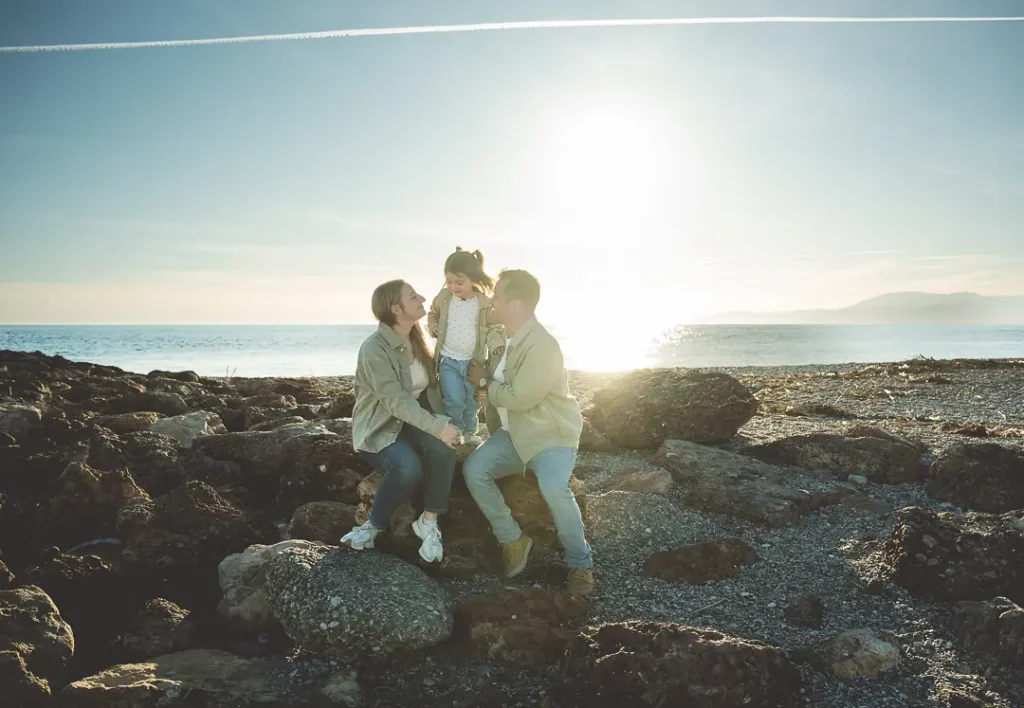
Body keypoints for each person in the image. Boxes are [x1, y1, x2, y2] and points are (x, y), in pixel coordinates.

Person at [463, 269, 594, 596]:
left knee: (554, 489)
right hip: (512, 436)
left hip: (550, 437)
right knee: (474, 470)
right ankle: (512, 539)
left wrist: (484, 382)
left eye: (498, 296)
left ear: (517, 304)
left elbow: (520, 398)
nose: (492, 301)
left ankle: (580, 564)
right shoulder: (503, 338)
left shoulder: (542, 345)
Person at [340, 279, 462, 563]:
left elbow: (431, 387)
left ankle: (428, 521)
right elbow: (394, 401)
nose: (422, 298)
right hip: (379, 427)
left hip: (413, 421)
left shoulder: (418, 338)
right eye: (413, 296)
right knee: (408, 468)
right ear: (396, 309)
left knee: (445, 448)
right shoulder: (374, 349)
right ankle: (372, 526)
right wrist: (438, 427)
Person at [427, 247, 505, 446]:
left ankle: (470, 432)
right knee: (453, 398)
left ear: (473, 279)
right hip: (448, 360)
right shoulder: (444, 298)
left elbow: (494, 327)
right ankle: (456, 431)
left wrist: (496, 344)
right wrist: (433, 325)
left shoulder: (483, 303)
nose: (454, 286)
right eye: (449, 281)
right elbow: (432, 313)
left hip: (473, 362)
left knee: (472, 400)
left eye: (459, 282)